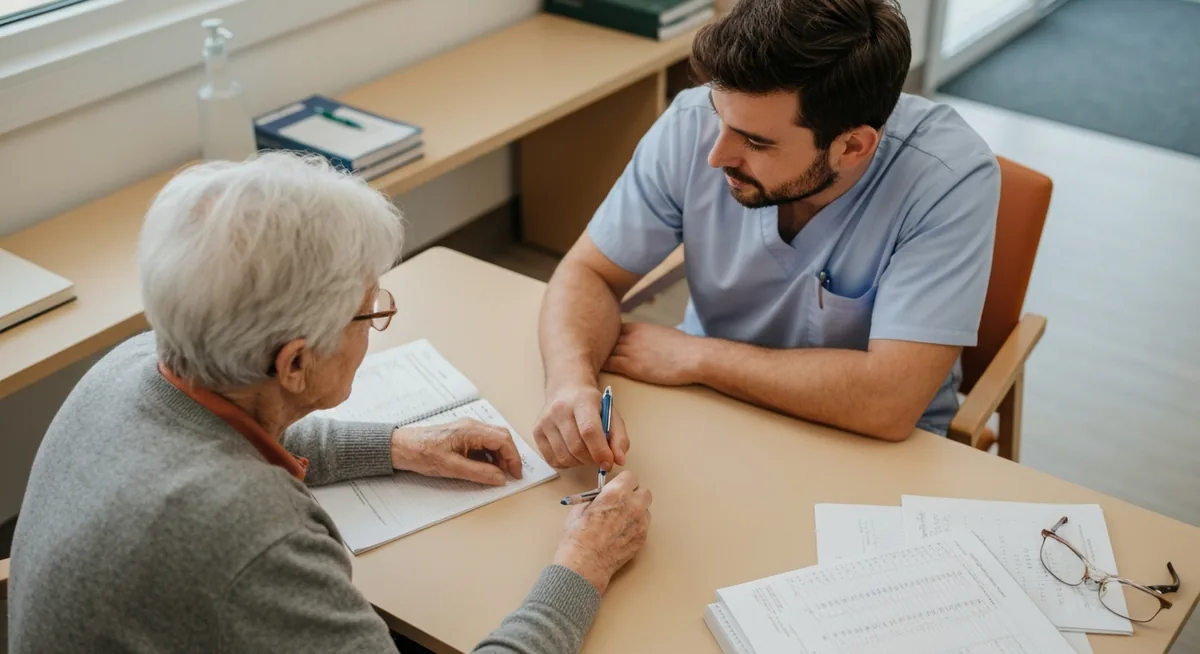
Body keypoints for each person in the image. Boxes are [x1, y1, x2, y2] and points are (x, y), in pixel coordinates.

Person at [8, 152, 652, 653]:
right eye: (369, 312)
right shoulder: (251, 537)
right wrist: (582, 565)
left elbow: (227, 435)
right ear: (294, 364)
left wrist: (397, 446)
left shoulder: (139, 362)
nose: (376, 322)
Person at [533, 0, 1002, 470]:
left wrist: (701, 358)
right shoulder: (691, 124)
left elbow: (889, 402)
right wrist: (570, 383)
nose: (716, 156)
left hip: (871, 448)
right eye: (719, 115)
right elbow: (590, 271)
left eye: (756, 142)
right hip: (714, 403)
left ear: (851, 146)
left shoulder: (948, 179)